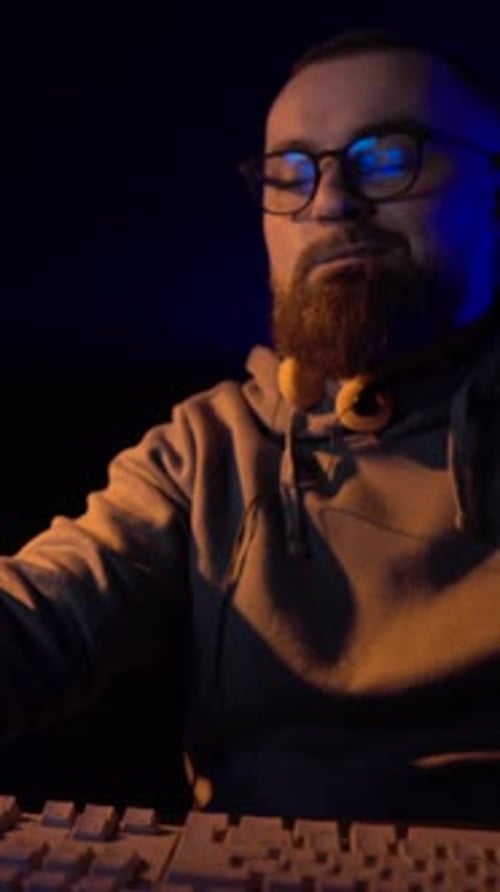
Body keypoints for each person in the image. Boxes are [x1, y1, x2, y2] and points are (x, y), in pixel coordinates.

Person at [3, 27, 500, 822]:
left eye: (385, 159)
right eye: (291, 173)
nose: (330, 202)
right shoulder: (210, 450)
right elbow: (42, 617)